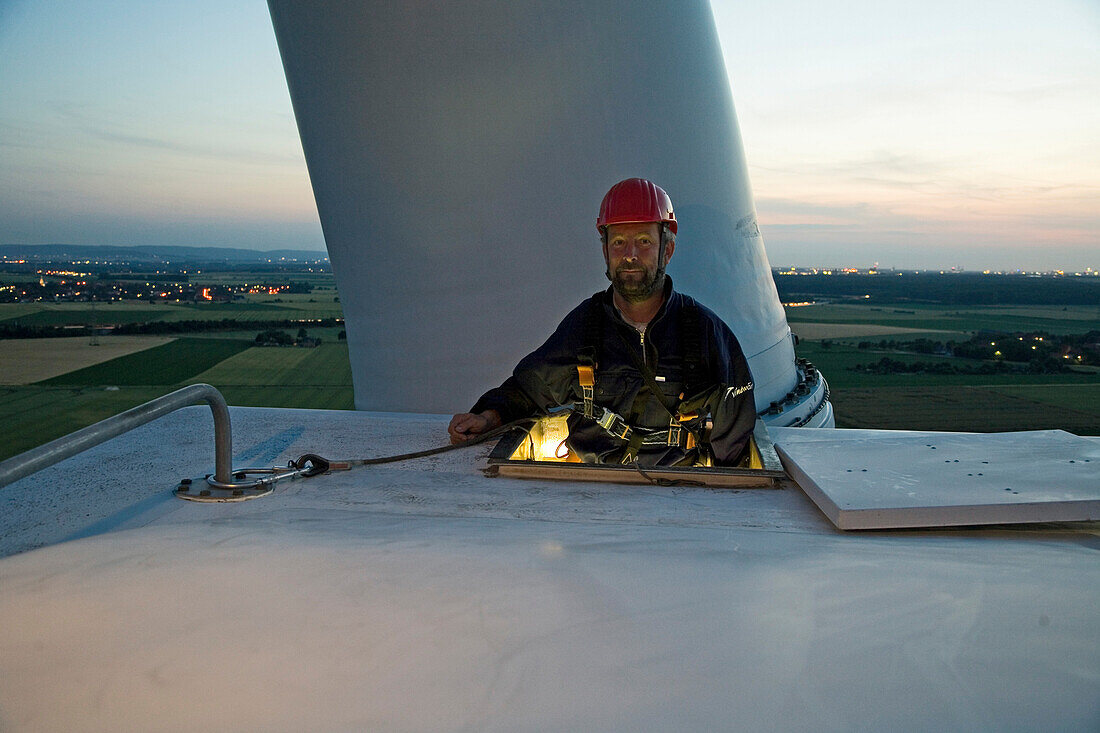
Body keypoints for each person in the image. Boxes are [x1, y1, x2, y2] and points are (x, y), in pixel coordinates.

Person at [448, 178, 756, 466]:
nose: (630, 254)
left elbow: (735, 431)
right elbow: (529, 389)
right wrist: (488, 418)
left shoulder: (703, 331)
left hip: (676, 491)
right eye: (619, 241)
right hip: (593, 489)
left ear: (668, 250)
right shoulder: (585, 327)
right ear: (605, 251)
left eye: (645, 241)